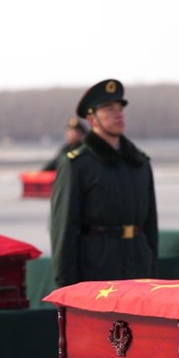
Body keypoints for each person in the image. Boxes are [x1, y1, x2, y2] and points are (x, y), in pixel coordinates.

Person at [50, 79, 158, 287]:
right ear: (92, 119)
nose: (118, 114)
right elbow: (64, 228)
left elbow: (150, 224)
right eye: (108, 109)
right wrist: (65, 285)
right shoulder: (78, 164)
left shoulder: (139, 162)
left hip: (138, 264)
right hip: (97, 267)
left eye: (120, 108)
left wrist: (151, 267)